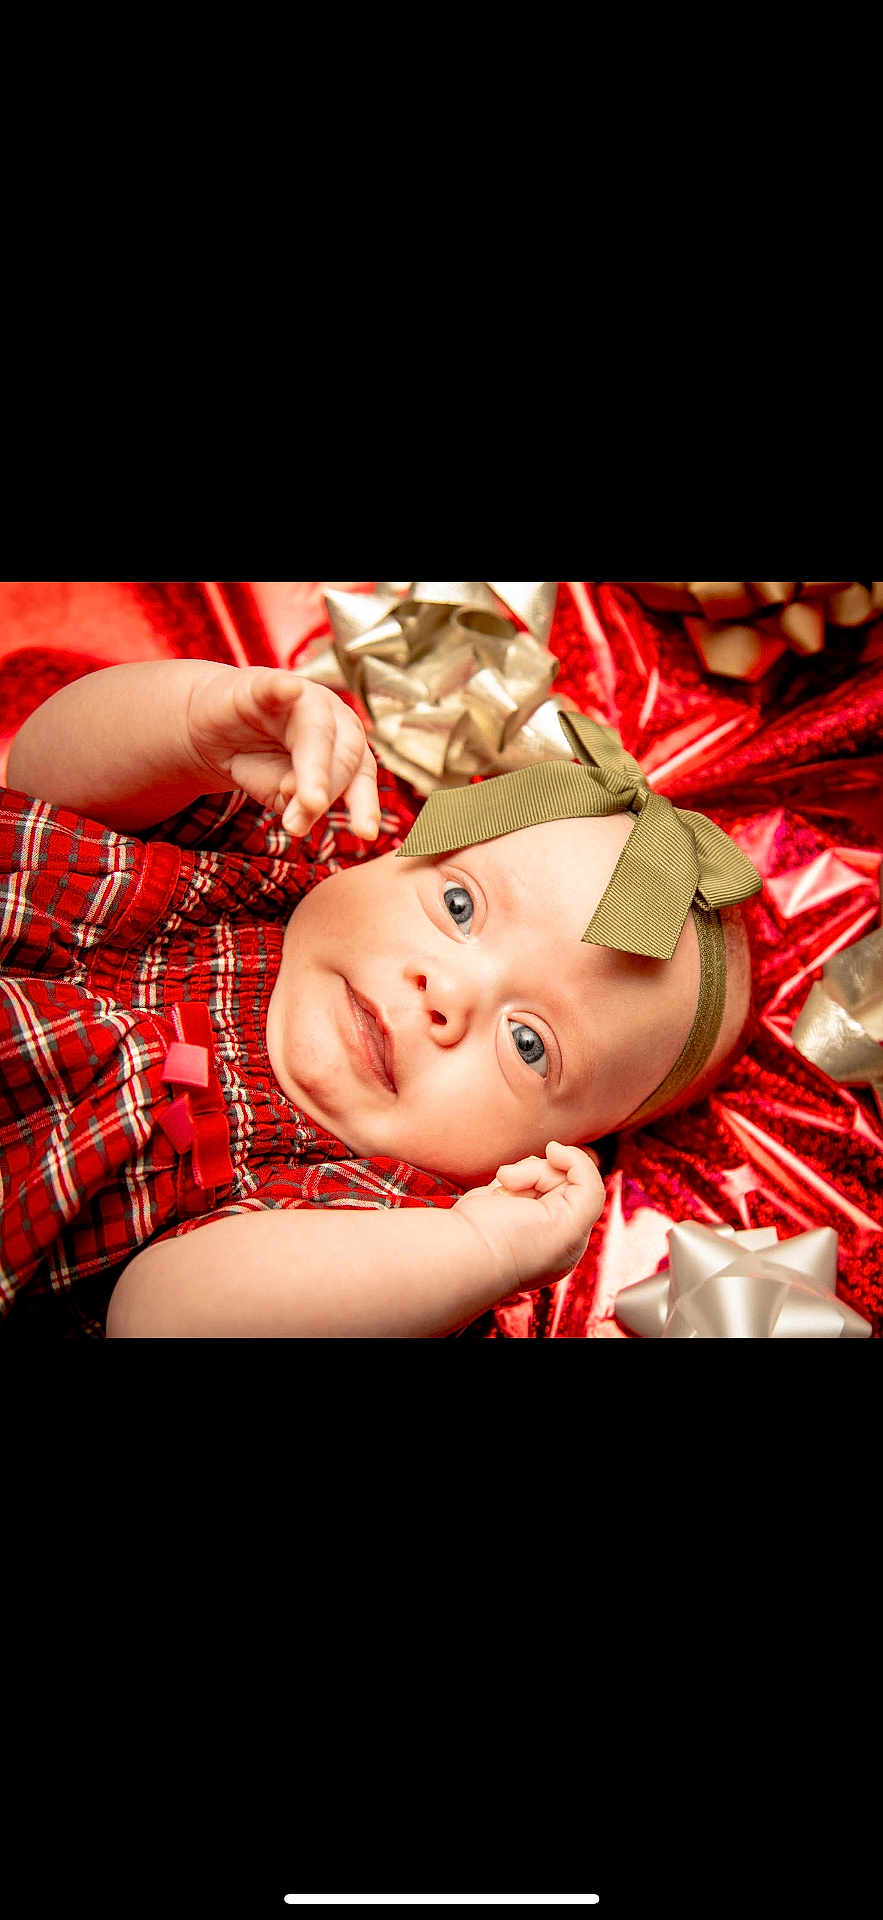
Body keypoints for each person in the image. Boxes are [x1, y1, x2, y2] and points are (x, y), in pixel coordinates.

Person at [1, 660, 760, 1339]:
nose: (449, 993)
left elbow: (159, 1318)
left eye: (528, 1043)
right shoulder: (280, 847)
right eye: (459, 906)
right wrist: (195, 723)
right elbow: (37, 782)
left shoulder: (381, 1221)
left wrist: (483, 1250)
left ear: (537, 1157)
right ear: (402, 847)